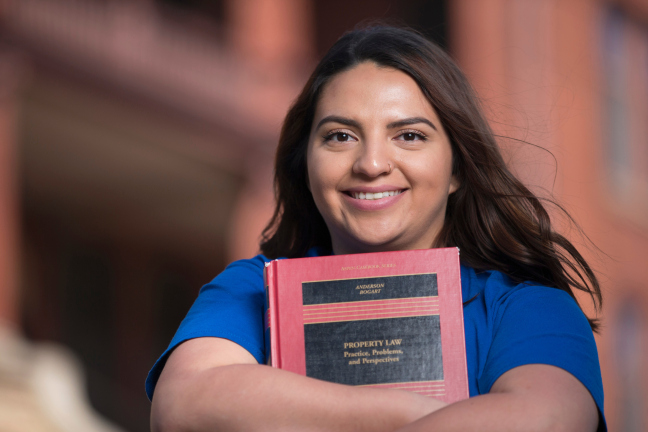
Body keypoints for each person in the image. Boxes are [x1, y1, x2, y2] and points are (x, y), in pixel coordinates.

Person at [147, 25, 605, 432]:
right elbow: (183, 404)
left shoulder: (526, 306)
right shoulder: (252, 290)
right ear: (305, 161)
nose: (370, 164)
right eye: (340, 136)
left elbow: (550, 420)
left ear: (456, 169)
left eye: (409, 135)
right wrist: (433, 413)